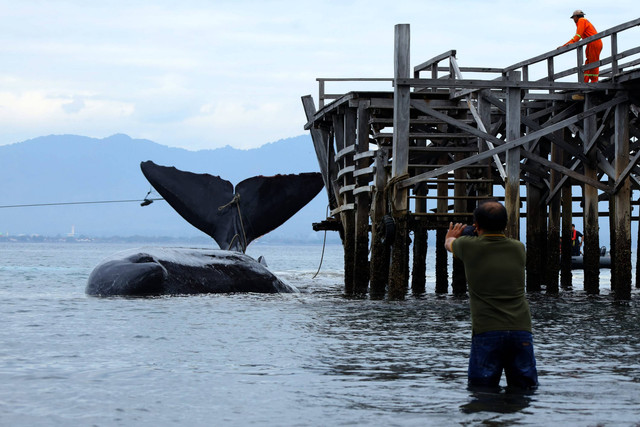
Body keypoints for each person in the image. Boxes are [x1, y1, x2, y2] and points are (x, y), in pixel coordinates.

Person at [444, 201, 538, 389]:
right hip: (521, 329)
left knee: (482, 392)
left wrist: (452, 235)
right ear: (505, 225)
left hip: (487, 330)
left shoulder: (468, 246)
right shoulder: (519, 248)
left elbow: (449, 244)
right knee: (525, 390)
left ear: (476, 225)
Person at [561, 10, 603, 83]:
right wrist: (564, 46)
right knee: (588, 62)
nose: (573, 20)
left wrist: (564, 46)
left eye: (573, 18)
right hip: (591, 43)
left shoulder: (581, 21)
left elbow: (577, 36)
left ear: (576, 17)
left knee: (593, 62)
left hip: (594, 42)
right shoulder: (584, 21)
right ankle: (585, 82)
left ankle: (594, 81)